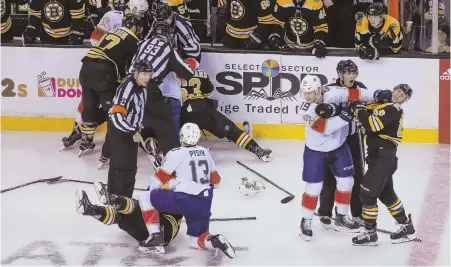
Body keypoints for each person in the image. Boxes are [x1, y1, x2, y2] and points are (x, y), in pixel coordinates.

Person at [136, 122, 236, 258]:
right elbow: (217, 181)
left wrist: (154, 193)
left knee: (145, 198)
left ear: (182, 136)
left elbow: (159, 179)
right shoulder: (205, 152)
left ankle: (155, 238)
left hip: (184, 200)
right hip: (204, 203)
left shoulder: (176, 153)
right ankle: (214, 241)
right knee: (195, 241)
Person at [349, 84, 416, 246]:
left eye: (403, 95)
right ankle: (406, 226)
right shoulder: (384, 106)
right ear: (393, 90)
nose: (399, 95)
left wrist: (359, 111)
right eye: (398, 91)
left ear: (405, 101)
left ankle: (370, 233)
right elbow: (368, 114)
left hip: (383, 157)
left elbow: (373, 125)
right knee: (387, 195)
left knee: (366, 194)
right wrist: (361, 107)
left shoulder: (394, 108)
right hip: (379, 157)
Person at [297, 75, 355, 241]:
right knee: (314, 187)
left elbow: (356, 94)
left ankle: (342, 216)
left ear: (318, 90)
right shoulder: (304, 108)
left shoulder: (334, 93)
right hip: (315, 150)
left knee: (347, 182)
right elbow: (324, 128)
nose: (306, 97)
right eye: (304, 93)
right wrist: (346, 116)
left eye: (310, 93)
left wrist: (377, 94)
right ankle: (306, 220)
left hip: (338, 147)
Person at [130, 20, 194, 160]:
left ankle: (109, 154)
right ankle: (173, 158)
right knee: (166, 126)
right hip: (149, 88)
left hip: (128, 86)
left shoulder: (142, 44)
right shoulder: (168, 49)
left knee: (129, 122)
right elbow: (187, 72)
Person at [180, 68, 275, 162]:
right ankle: (258, 150)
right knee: (231, 130)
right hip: (204, 110)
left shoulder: (172, 74)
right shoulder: (201, 74)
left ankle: (178, 155)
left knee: (173, 134)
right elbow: (209, 92)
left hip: (184, 114)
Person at [316, 59, 367, 228]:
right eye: (348, 72)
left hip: (353, 137)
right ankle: (325, 212)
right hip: (335, 138)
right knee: (329, 174)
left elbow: (367, 108)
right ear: (340, 74)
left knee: (357, 174)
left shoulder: (361, 88)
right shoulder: (330, 89)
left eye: (354, 72)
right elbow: (321, 110)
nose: (352, 75)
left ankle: (357, 213)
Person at [75, 184, 183, 245]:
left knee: (135, 208)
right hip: (148, 236)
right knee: (122, 216)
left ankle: (112, 199)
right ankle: (90, 209)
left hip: (164, 229)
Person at [107, 59, 152, 198]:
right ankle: (123, 202)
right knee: (126, 167)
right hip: (121, 131)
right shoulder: (128, 88)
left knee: (119, 166)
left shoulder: (141, 88)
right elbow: (116, 115)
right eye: (143, 74)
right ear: (135, 73)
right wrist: (131, 131)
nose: (147, 77)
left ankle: (114, 199)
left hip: (127, 130)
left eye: (149, 74)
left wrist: (137, 127)